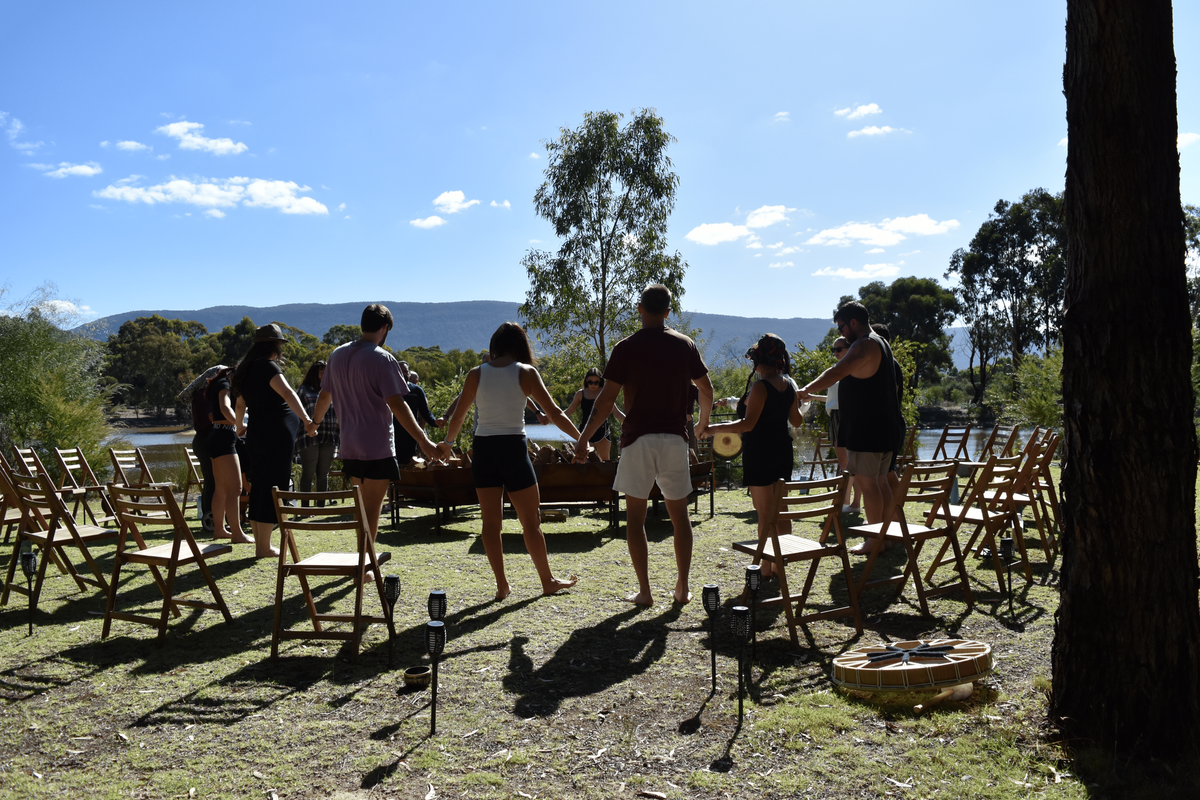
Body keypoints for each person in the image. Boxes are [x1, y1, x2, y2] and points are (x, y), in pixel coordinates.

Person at [573, 284, 714, 606]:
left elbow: (605, 401)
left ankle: (645, 592)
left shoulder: (625, 348)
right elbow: (706, 389)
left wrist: (583, 438)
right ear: (668, 311)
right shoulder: (685, 345)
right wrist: (703, 424)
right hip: (675, 440)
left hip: (637, 440)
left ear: (639, 308)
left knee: (635, 519)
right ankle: (681, 588)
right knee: (680, 518)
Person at [438, 322, 581, 600]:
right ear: (520, 346)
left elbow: (459, 416)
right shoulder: (526, 372)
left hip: (483, 449)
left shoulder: (475, 374)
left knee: (490, 523)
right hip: (513, 449)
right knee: (531, 522)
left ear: (495, 346)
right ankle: (547, 581)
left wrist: (449, 444)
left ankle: (502, 586)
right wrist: (580, 439)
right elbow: (553, 413)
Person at [309, 304, 441, 543]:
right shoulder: (382, 358)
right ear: (385, 328)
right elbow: (398, 405)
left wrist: (314, 423)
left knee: (361, 510)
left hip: (350, 447)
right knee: (372, 512)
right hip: (378, 449)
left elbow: (324, 396)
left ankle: (363, 560)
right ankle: (366, 566)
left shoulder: (336, 355)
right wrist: (424, 441)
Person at [798, 302, 905, 555]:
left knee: (869, 485)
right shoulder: (881, 342)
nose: (842, 332)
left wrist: (805, 391)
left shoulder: (864, 344)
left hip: (869, 429)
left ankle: (874, 540)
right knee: (880, 483)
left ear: (853, 322)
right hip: (884, 428)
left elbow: (836, 371)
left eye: (842, 326)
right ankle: (886, 538)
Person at [701, 334, 802, 579]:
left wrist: (712, 428)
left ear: (758, 360)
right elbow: (796, 420)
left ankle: (765, 566)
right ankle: (779, 564)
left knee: (764, 512)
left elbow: (748, 424)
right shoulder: (788, 385)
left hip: (760, 451)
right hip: (782, 450)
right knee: (781, 507)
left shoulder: (760, 386)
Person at [232, 325, 315, 558]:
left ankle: (262, 544)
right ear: (275, 345)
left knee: (260, 486)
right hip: (276, 436)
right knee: (273, 488)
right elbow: (289, 394)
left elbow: (240, 405)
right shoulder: (268, 367)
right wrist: (307, 420)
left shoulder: (245, 369)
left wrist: (239, 426)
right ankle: (264, 547)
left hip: (257, 435)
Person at [807, 336, 862, 513]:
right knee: (850, 464)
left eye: (839, 349)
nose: (836, 353)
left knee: (847, 464)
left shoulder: (848, 371)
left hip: (843, 416)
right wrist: (814, 396)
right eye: (834, 349)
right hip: (837, 415)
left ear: (850, 349)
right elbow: (833, 399)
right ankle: (852, 503)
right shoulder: (845, 371)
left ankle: (847, 502)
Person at [205, 366, 251, 544]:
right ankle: (237, 534)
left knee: (222, 489)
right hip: (224, 438)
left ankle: (219, 529)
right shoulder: (224, 384)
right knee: (235, 488)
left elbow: (214, 413)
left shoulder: (218, 384)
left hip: (218, 436)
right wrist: (239, 424)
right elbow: (225, 407)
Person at [177, 366, 222, 532]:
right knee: (212, 479)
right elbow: (208, 421)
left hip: (205, 440)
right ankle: (209, 515)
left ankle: (216, 514)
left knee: (215, 479)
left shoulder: (205, 394)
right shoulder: (204, 395)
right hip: (206, 441)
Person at [295, 360, 338, 507]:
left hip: (329, 435)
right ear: (315, 373)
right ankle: (305, 507)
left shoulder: (333, 390)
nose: (325, 375)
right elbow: (295, 412)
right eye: (322, 372)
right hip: (308, 436)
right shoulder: (303, 390)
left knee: (323, 473)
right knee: (308, 472)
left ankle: (321, 506)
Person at [562, 368, 626, 460]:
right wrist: (552, 417)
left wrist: (631, 421)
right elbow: (569, 411)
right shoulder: (580, 394)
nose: (593, 385)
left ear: (600, 381)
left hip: (602, 431)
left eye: (596, 382)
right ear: (586, 380)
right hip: (585, 432)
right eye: (590, 382)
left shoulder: (604, 393)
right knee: (585, 461)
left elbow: (616, 413)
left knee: (605, 461)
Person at [394, 360, 439, 464]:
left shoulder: (416, 391)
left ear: (409, 373)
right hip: (392, 434)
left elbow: (425, 412)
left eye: (406, 371)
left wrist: (435, 422)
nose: (403, 373)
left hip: (411, 434)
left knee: (410, 463)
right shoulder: (389, 389)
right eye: (400, 371)